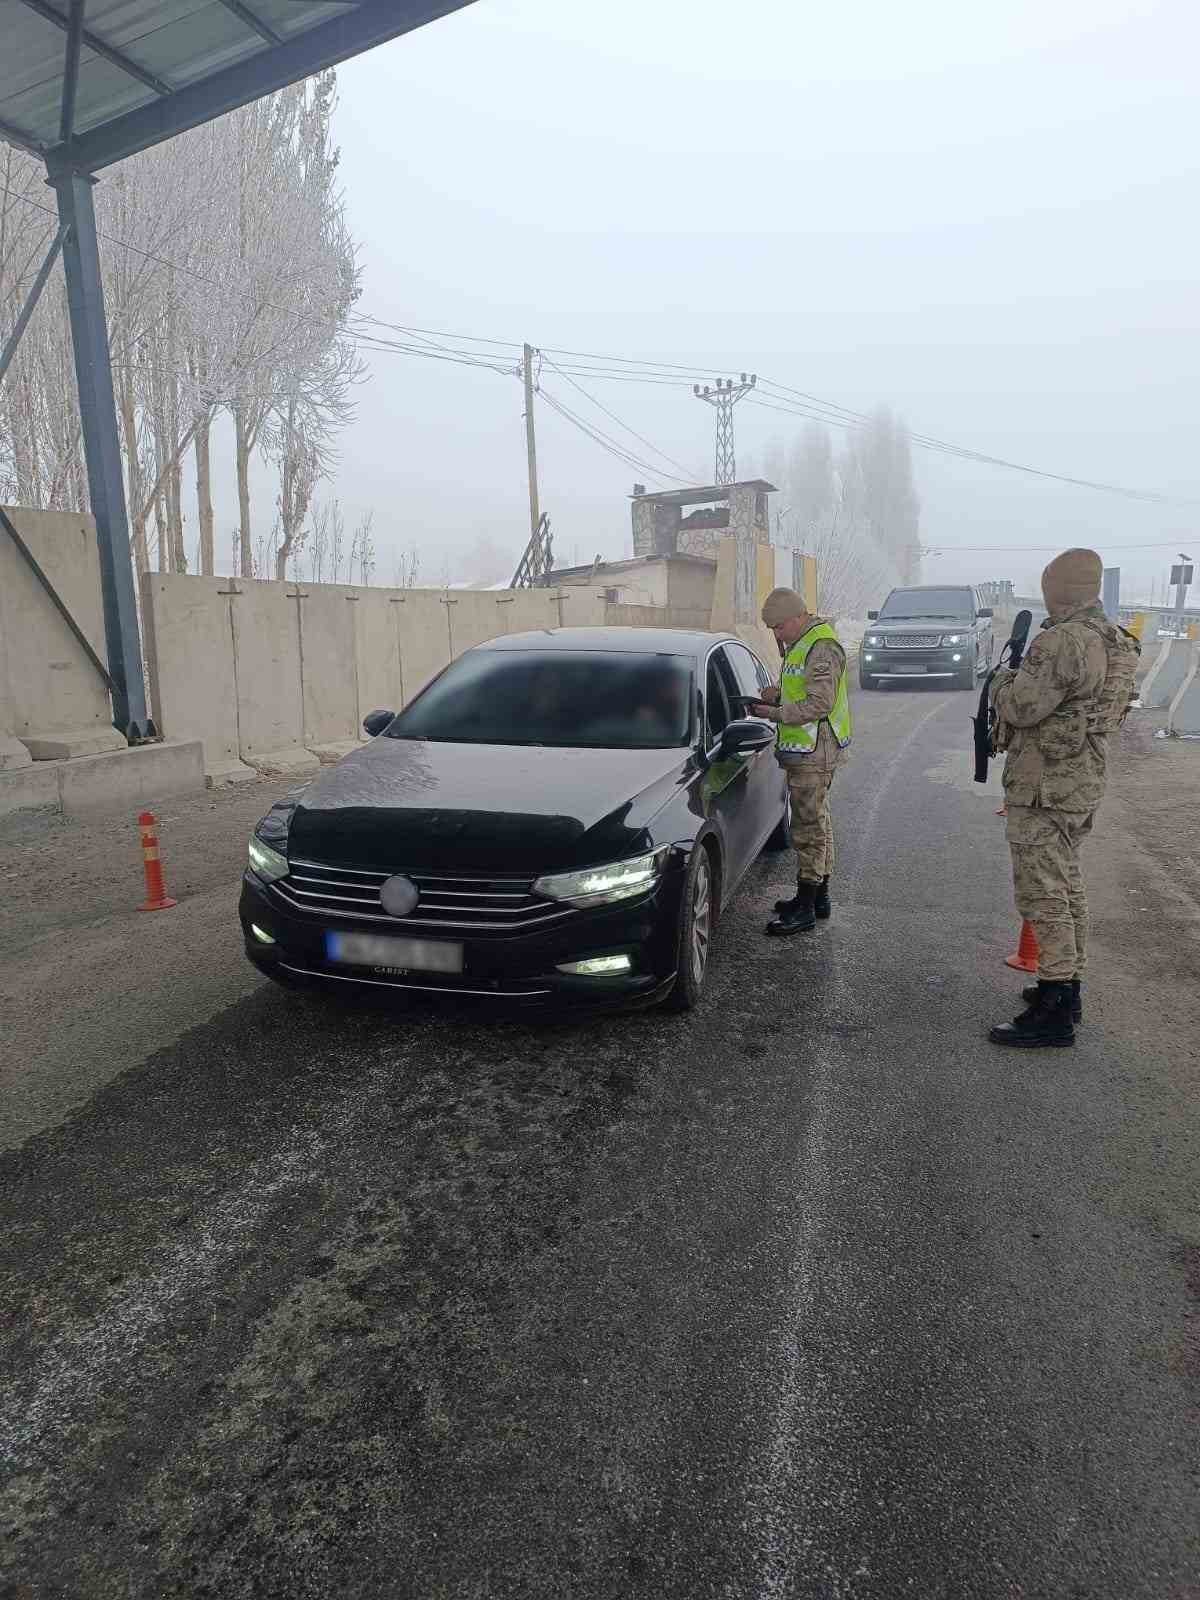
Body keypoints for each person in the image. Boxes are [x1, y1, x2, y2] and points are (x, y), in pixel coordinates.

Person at [987, 547, 1140, 1048]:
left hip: (1045, 784)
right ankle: (1066, 986)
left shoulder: (1063, 641)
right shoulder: (1111, 637)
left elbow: (1024, 705)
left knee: (1042, 892)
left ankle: (1054, 1010)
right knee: (1068, 886)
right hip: (1079, 780)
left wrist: (1003, 683)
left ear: (1058, 590)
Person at [750, 588, 852, 935]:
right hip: (807, 750)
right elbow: (801, 687)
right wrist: (776, 693)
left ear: (795, 618)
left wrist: (775, 713)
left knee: (808, 830)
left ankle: (806, 907)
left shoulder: (821, 646)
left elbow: (819, 703)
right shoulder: (803, 642)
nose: (776, 634)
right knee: (817, 823)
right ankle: (817, 896)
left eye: (778, 627)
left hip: (814, 750)